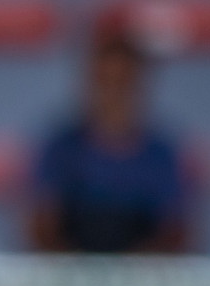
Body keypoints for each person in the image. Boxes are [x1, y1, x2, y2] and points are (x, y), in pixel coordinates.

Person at [31, 30, 193, 254]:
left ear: (140, 87)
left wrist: (130, 273)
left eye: (122, 83)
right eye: (104, 81)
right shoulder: (61, 150)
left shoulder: (161, 155)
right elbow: (41, 229)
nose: (113, 93)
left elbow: (175, 234)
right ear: (88, 84)